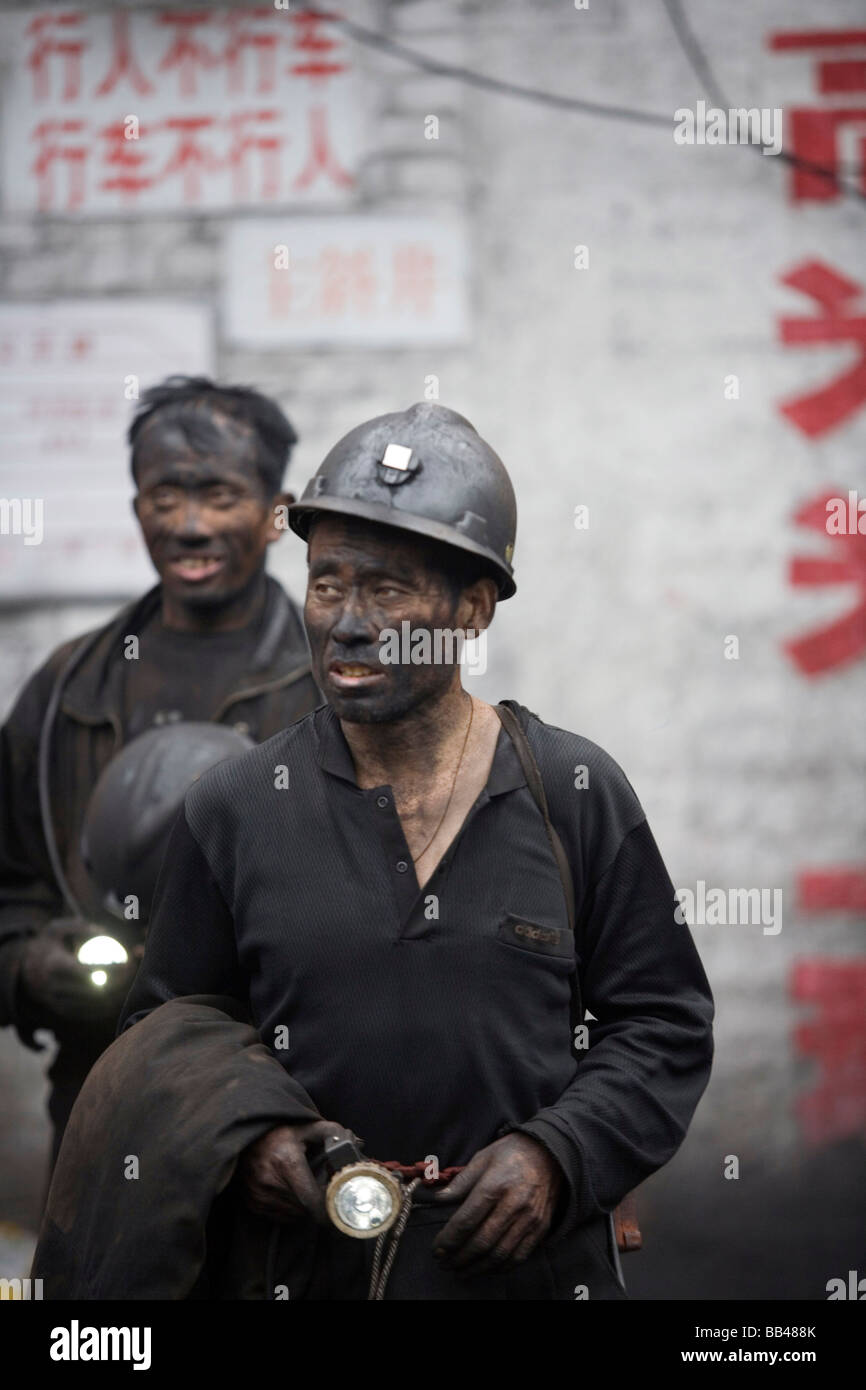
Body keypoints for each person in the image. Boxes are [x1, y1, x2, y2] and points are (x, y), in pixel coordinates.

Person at [35, 401, 713, 1301]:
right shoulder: (235, 809)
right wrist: (249, 1140)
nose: (347, 622)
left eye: (389, 591)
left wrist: (560, 1154)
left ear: (472, 609)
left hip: (526, 1275)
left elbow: (663, 1022)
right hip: (305, 1271)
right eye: (326, 584)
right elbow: (169, 1040)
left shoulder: (574, 791)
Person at [0, 376, 319, 1170]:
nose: (189, 524)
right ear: (136, 505)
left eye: (219, 494)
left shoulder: (331, 684)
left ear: (277, 513)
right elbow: (7, 880)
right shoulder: (73, 688)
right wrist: (29, 965)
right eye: (163, 495)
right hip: (105, 1097)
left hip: (295, 1101)